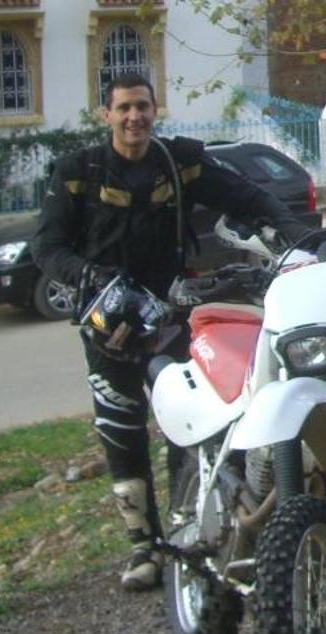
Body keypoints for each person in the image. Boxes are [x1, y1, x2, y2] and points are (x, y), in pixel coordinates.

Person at [33, 71, 292, 591]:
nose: (134, 118)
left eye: (143, 107)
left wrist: (299, 232)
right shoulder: (76, 172)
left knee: (190, 421)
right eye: (124, 108)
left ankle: (190, 527)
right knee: (122, 432)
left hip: (172, 315)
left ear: (157, 109)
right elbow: (46, 247)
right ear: (105, 114)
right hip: (109, 324)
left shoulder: (181, 162)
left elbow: (245, 196)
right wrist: (88, 278)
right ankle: (142, 548)